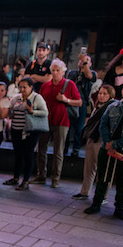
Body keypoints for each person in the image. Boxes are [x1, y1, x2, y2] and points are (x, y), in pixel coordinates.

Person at [84, 77, 123, 221]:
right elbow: (103, 124)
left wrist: (116, 144)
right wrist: (107, 141)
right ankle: (96, 203)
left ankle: (119, 207)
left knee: (122, 180)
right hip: (107, 147)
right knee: (102, 177)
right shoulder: (113, 106)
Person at [35, 59, 82, 188]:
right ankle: (41, 175)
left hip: (62, 121)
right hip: (45, 121)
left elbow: (79, 102)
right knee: (41, 149)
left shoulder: (69, 84)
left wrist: (66, 100)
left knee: (58, 151)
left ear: (63, 71)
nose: (55, 73)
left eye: (58, 70)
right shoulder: (45, 86)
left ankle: (55, 178)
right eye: (53, 70)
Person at [3, 77, 48, 191]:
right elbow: (10, 110)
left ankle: (26, 180)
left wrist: (32, 111)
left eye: (25, 87)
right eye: (20, 87)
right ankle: (16, 177)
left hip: (30, 132)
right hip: (16, 130)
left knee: (28, 154)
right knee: (18, 154)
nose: (22, 89)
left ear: (31, 87)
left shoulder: (37, 98)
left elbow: (45, 112)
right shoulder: (16, 98)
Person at [72, 85, 116, 200]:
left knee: (103, 169)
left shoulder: (112, 107)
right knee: (89, 167)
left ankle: (102, 196)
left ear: (110, 95)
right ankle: (85, 191)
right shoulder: (97, 106)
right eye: (100, 93)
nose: (101, 96)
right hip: (92, 138)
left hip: (102, 140)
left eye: (105, 94)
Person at [66, 52, 97, 156]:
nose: (83, 62)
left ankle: (76, 148)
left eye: (86, 61)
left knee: (79, 128)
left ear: (90, 63)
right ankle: (65, 147)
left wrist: (85, 63)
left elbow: (89, 76)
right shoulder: (72, 73)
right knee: (67, 127)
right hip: (70, 102)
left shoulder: (92, 73)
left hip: (83, 103)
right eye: (82, 60)